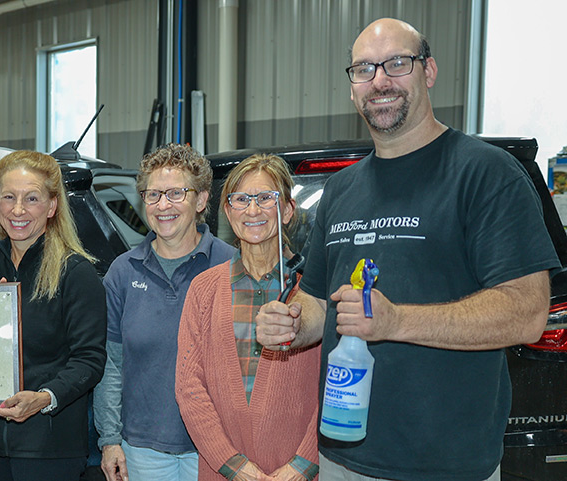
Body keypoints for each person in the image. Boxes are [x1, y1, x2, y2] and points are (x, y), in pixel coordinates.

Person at [255, 18, 559, 481]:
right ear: (353, 88)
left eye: (397, 63)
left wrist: (397, 321)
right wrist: (291, 322)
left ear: (429, 71)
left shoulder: (486, 174)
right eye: (364, 69)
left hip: (447, 464)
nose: (379, 80)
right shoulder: (341, 190)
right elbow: (318, 300)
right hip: (343, 457)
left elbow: (527, 312)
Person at [93, 143, 234, 481]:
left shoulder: (231, 266)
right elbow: (111, 365)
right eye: (153, 195)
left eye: (175, 193)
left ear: (201, 200)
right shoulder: (123, 272)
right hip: (143, 451)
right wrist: (110, 440)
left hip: (219, 447)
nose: (163, 205)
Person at [176, 154, 319, 481]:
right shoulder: (203, 290)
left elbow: (333, 385)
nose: (252, 211)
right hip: (222, 472)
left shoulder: (314, 292)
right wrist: (232, 465)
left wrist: (303, 465)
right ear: (228, 211)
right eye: (240, 199)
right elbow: (189, 388)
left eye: (266, 199)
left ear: (287, 210)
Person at [0, 150, 107, 481]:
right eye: (9, 197)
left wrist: (44, 398)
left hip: (50, 449)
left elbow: (89, 361)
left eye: (31, 198)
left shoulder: (75, 272)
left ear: (52, 206)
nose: (18, 210)